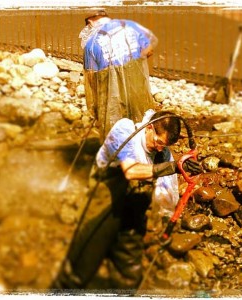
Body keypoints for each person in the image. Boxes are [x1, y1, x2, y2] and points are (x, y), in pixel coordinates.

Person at [84, 109, 202, 289]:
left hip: (130, 215)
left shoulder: (162, 153)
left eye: (165, 145)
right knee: (82, 269)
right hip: (101, 207)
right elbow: (131, 171)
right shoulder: (125, 131)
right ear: (149, 128)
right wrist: (173, 167)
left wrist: (164, 220)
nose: (160, 148)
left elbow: (166, 193)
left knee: (130, 278)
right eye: (159, 141)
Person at [79, 8, 158, 143]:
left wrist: (98, 104)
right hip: (136, 90)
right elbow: (149, 51)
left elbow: (92, 77)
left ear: (90, 22)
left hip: (111, 97)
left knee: (114, 131)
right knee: (141, 125)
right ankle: (144, 156)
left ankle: (118, 161)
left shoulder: (91, 44)